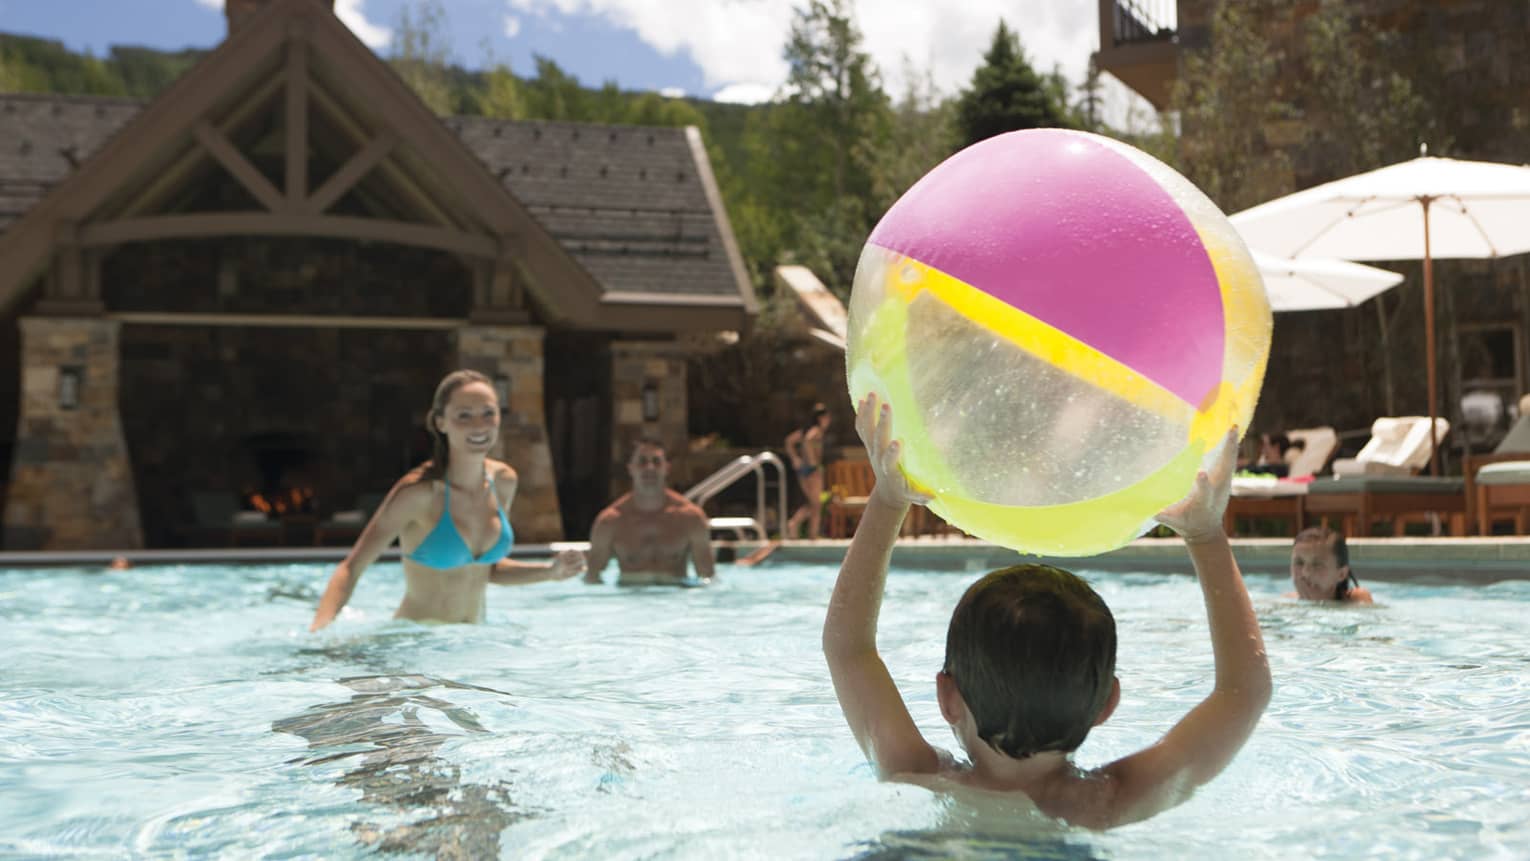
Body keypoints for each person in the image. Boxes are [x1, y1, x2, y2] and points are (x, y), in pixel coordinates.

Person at [823, 392, 1271, 829]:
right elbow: (1244, 694)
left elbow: (848, 649)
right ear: (1107, 704)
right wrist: (1206, 535)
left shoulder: (917, 777)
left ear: (947, 697)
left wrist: (888, 497)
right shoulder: (1112, 801)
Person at [309, 370, 585, 631]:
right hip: (417, 642)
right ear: (441, 422)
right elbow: (351, 568)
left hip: (472, 640)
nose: (478, 425)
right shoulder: (418, 494)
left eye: (488, 413)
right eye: (464, 415)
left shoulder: (503, 481)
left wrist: (551, 572)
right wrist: (319, 635)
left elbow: (486, 569)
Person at [585, 439, 716, 586]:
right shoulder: (610, 521)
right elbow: (592, 577)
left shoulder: (691, 518)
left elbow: (708, 577)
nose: (650, 467)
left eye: (656, 461)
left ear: (666, 468)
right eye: (642, 461)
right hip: (628, 602)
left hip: (676, 600)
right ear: (630, 468)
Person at [784, 403, 833, 539]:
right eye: (827, 418)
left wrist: (795, 459)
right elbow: (808, 441)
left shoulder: (805, 430)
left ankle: (795, 525)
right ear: (821, 418)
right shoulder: (816, 431)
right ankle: (812, 534)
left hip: (804, 470)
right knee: (816, 505)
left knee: (813, 503)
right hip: (813, 470)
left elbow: (789, 441)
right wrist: (812, 461)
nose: (828, 421)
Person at [1288, 526, 1373, 603]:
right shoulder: (1288, 602)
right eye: (1299, 562)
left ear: (1341, 574)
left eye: (1317, 564)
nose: (1305, 573)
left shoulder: (1356, 599)